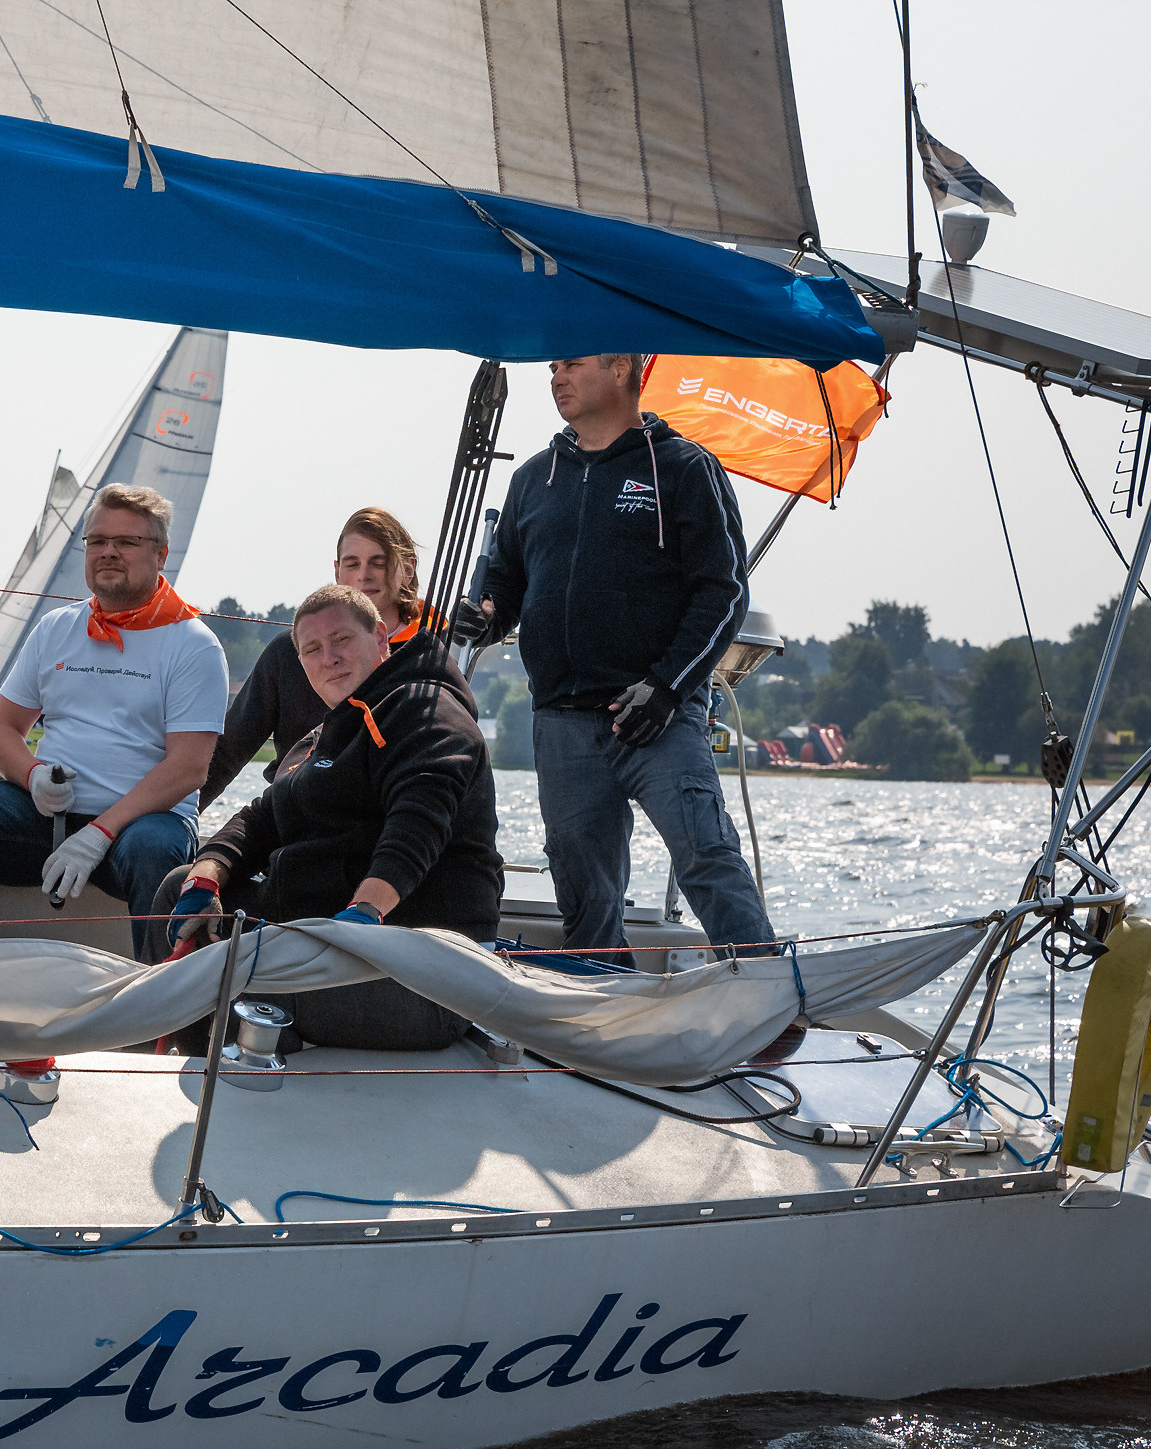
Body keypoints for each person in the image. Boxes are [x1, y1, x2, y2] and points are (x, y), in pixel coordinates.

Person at [455, 352, 773, 963]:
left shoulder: (684, 468)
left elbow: (724, 590)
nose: (557, 378)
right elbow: (507, 585)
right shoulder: (533, 479)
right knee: (584, 891)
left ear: (623, 368)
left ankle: (766, 988)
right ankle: (599, 1006)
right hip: (562, 722)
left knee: (706, 855)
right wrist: (489, 616)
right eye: (552, 369)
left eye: (572, 365)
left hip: (657, 715)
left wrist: (667, 688)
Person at [151, 584, 501, 1052]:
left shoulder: (429, 713)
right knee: (178, 889)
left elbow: (417, 826)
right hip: (320, 939)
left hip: (422, 975)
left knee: (225, 974)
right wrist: (206, 877)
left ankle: (227, 1075)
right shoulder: (326, 735)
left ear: (380, 637)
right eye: (312, 649)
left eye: (341, 640)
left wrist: (362, 915)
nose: (328, 658)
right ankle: (173, 1067)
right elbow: (259, 820)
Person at [0, 483, 227, 960]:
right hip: (45, 815)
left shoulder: (193, 645)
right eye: (96, 541)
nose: (108, 552)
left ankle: (158, 1009)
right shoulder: (57, 628)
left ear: (160, 554)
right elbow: (0, 732)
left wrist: (101, 832)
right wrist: (33, 776)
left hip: (143, 826)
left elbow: (188, 769)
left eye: (125, 542)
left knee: (153, 852)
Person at [201, 506, 432, 808]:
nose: (364, 575)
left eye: (379, 563)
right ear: (337, 572)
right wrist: (176, 818)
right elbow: (227, 753)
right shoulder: (289, 652)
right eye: (352, 564)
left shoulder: (429, 654)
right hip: (297, 810)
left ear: (408, 569)